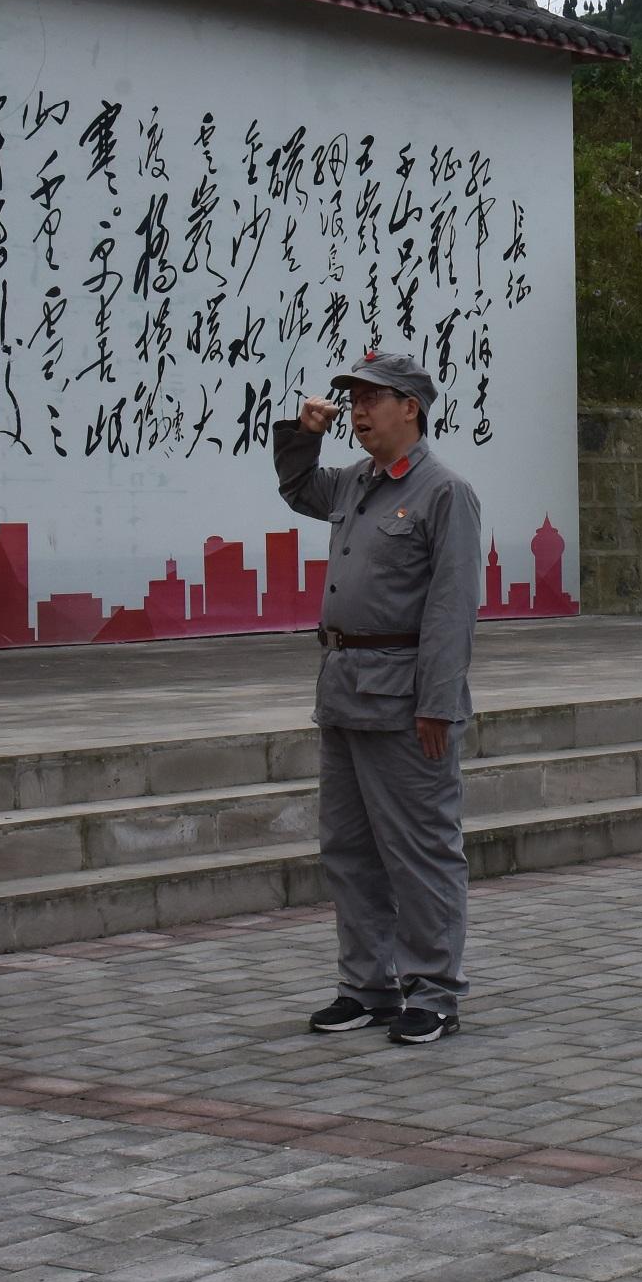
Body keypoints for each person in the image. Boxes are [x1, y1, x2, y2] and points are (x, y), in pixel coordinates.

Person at [275, 351, 486, 1045]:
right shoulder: (357, 483)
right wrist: (303, 432)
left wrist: (438, 703)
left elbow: (451, 609)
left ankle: (433, 990)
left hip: (405, 699)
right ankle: (368, 985)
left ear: (412, 409)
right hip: (343, 688)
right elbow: (300, 488)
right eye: (354, 399)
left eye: (374, 398)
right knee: (349, 848)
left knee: (421, 850)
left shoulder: (442, 492)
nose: (359, 411)